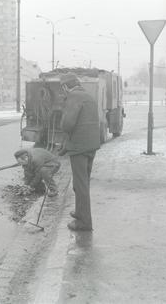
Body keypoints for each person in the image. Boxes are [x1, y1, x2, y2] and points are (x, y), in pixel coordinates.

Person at [59, 73, 100, 231]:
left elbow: (67, 125)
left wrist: (63, 116)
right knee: (83, 183)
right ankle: (80, 212)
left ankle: (84, 222)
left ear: (65, 86)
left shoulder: (73, 97)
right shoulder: (87, 96)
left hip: (79, 147)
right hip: (91, 146)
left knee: (80, 184)